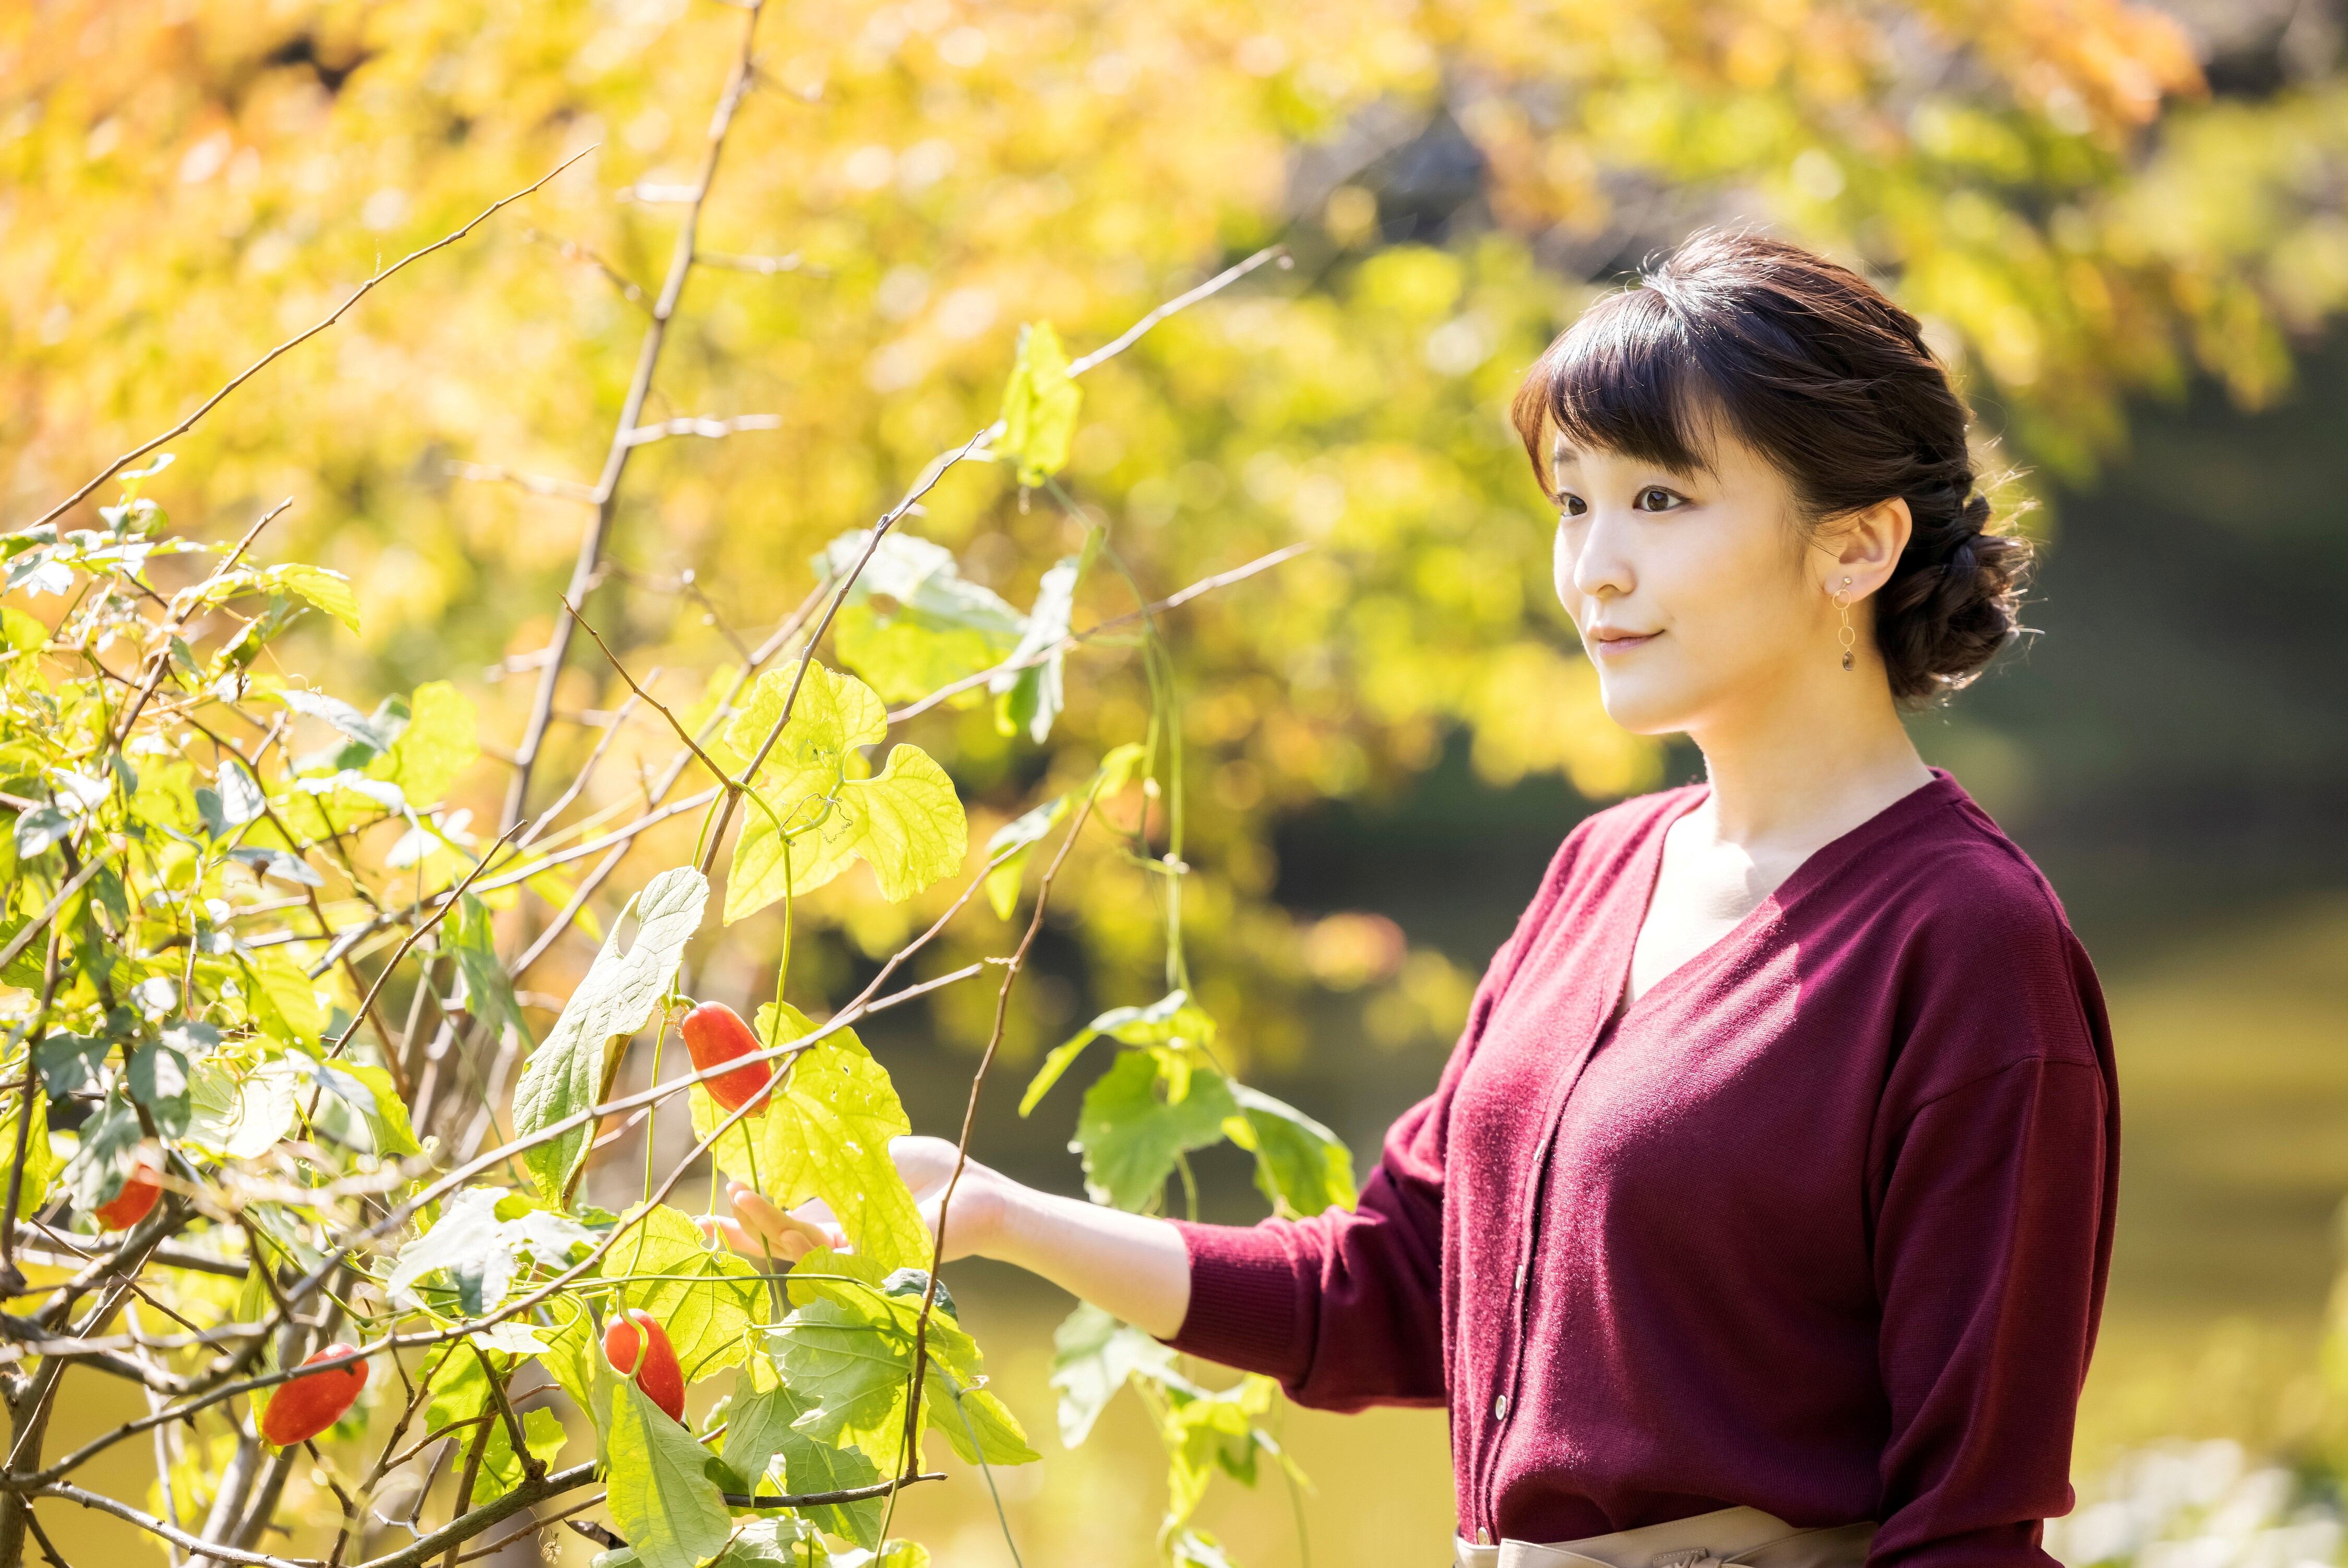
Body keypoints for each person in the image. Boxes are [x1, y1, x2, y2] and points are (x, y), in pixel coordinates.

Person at [705, 230, 2119, 1568]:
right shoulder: (1602, 870)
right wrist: (997, 1216)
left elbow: (1970, 1530)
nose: (1594, 565)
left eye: (1659, 500)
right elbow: (1387, 1295)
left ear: (1855, 547)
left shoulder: (1964, 948)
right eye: (1572, 501)